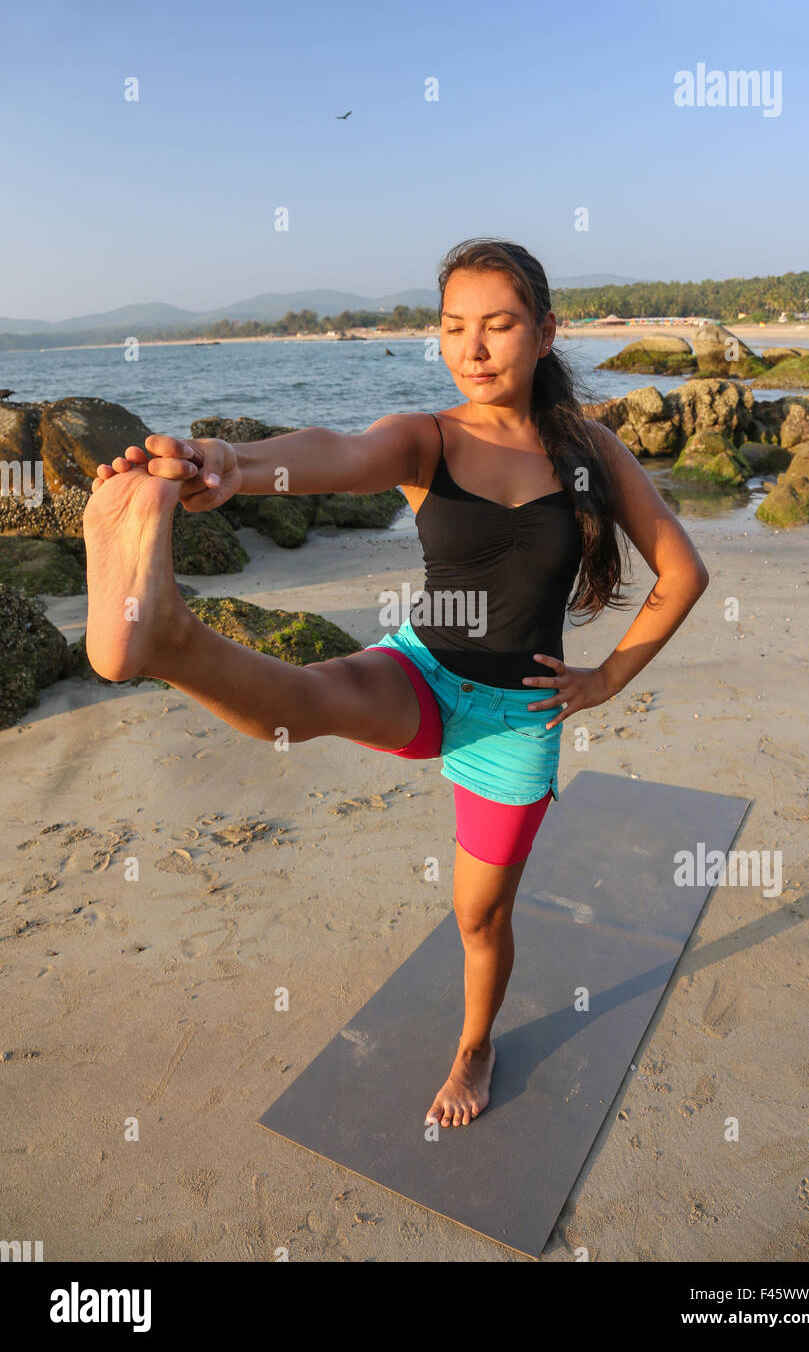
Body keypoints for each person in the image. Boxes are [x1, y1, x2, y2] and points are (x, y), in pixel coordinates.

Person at [83, 237, 709, 1129]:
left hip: (516, 720)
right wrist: (228, 461)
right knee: (304, 708)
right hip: (425, 665)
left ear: (544, 333)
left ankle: (476, 1045)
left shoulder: (590, 451)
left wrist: (606, 677)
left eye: (498, 325)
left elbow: (682, 573)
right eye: (454, 327)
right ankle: (170, 637)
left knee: (478, 921)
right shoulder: (428, 438)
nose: (474, 348)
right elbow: (335, 452)